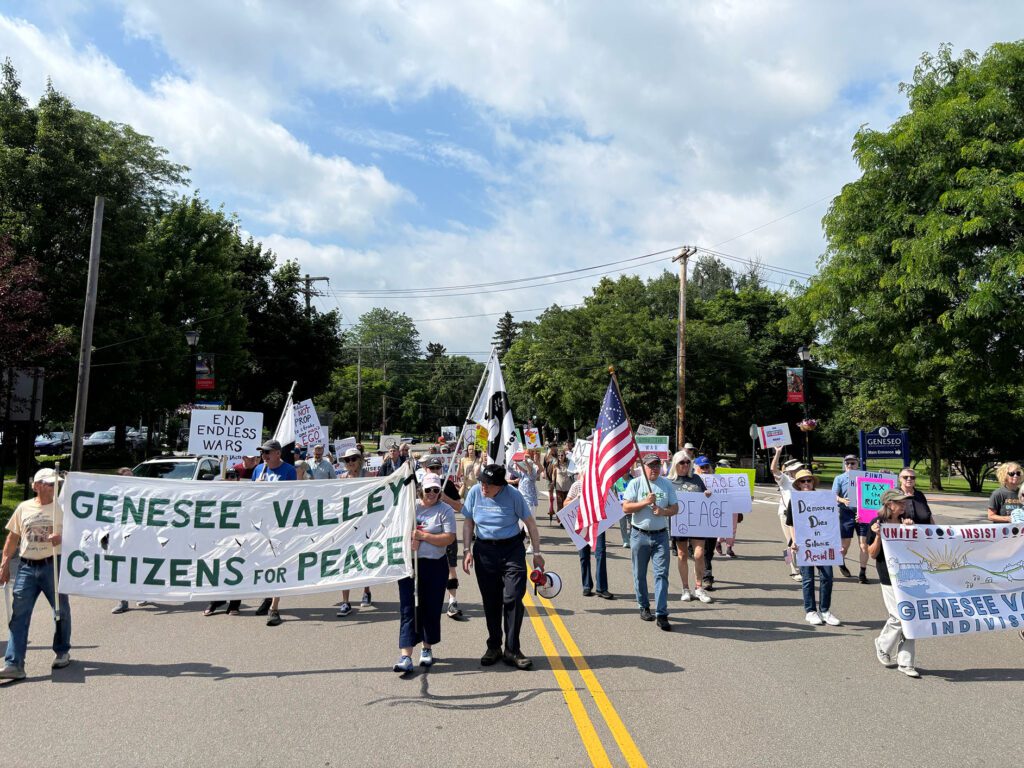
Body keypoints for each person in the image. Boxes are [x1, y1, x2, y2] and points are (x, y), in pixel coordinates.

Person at [462, 464, 544, 670]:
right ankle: (494, 646)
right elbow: (468, 522)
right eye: (482, 481)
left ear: (500, 485)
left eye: (488, 484)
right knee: (491, 601)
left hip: (511, 550)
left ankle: (512, 650)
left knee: (514, 597)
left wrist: (537, 554)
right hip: (485, 550)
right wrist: (466, 550)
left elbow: (530, 524)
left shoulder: (513, 495)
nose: (483, 487)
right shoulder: (474, 492)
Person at [0, 469, 71, 679]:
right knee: (19, 615)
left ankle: (62, 651)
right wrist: (4, 563)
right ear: (37, 486)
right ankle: (14, 664)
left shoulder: (63, 508)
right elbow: (13, 538)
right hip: (26, 568)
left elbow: (79, 535)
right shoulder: (24, 508)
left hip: (53, 565)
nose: (52, 487)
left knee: (60, 611)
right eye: (48, 483)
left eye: (55, 483)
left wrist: (62, 538)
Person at [393, 475, 457, 673]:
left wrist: (424, 537)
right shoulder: (410, 507)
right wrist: (409, 541)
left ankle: (427, 648)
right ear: (421, 489)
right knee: (408, 609)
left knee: (430, 607)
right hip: (410, 567)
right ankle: (405, 656)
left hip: (435, 566)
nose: (431, 494)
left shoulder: (444, 510)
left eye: (435, 490)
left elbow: (448, 538)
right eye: (428, 490)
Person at [621, 454, 678, 631]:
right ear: (643, 467)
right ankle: (643, 606)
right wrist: (645, 501)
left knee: (661, 574)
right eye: (650, 466)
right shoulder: (635, 483)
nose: (654, 469)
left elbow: (675, 508)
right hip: (639, 535)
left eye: (656, 465)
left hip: (660, 535)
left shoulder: (666, 484)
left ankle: (661, 613)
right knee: (640, 573)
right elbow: (625, 507)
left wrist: (663, 511)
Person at [868, 488, 921, 677]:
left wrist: (910, 531)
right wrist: (878, 535)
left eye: (905, 502)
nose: (904, 505)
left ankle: (906, 662)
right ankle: (883, 644)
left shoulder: (906, 522)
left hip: (907, 576)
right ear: (890, 505)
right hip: (888, 577)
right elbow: (872, 554)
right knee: (899, 617)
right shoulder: (877, 523)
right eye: (900, 502)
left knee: (910, 617)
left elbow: (915, 549)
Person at [786, 469, 840, 627]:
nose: (806, 484)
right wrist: (794, 541)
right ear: (798, 484)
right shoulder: (794, 500)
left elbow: (832, 522)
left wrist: (836, 544)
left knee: (827, 577)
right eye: (802, 481)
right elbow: (791, 523)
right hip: (805, 544)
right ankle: (810, 611)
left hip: (824, 543)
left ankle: (825, 610)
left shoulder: (824, 498)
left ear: (813, 482)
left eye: (808, 480)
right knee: (808, 579)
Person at [252, 439, 297, 626]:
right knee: (263, 562)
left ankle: (274, 607)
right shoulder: (258, 470)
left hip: (279, 524)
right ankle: (268, 597)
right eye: (263, 452)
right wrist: (257, 486)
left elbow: (292, 496)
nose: (264, 455)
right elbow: (250, 497)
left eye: (268, 452)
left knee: (278, 563)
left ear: (278, 453)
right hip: (262, 524)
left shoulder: (288, 471)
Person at [419, 456, 465, 619]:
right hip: (424, 537)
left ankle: (452, 600)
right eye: (432, 468)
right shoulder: (419, 487)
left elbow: (462, 509)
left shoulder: (448, 485)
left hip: (446, 532)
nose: (435, 471)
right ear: (426, 470)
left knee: (450, 567)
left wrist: (446, 499)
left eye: (438, 468)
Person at [667, 452, 713, 604]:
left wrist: (707, 494)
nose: (685, 465)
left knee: (699, 554)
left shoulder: (696, 478)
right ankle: (685, 588)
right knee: (682, 554)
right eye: (682, 462)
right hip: (680, 522)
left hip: (698, 521)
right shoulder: (670, 481)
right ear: (675, 464)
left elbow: (705, 495)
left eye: (688, 462)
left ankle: (699, 587)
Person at [564, 475, 614, 600]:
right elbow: (565, 503)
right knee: (584, 556)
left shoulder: (600, 486)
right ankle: (586, 586)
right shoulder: (577, 485)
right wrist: (577, 499)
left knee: (600, 553)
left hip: (597, 524)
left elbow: (610, 503)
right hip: (581, 524)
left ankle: (602, 588)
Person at [336, 447, 373, 615]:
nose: (350, 462)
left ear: (360, 459)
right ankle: (345, 601)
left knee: (364, 558)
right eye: (347, 460)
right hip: (347, 526)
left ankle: (366, 590)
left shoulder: (370, 477)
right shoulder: (341, 479)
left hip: (365, 524)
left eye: (353, 459)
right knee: (346, 561)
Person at [204, 467, 243, 617]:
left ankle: (234, 604)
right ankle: (216, 600)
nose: (231, 478)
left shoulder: (245, 492)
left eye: (234, 476)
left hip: (239, 539)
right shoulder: (215, 492)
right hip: (218, 539)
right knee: (217, 569)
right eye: (227, 476)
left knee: (237, 570)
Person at [771, 446, 804, 582]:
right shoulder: (784, 479)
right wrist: (778, 452)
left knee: (799, 542)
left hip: (802, 514)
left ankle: (799, 567)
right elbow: (773, 469)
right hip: (786, 514)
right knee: (790, 542)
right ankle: (792, 569)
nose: (798, 470)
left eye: (799, 468)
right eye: (796, 468)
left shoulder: (803, 479)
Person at [832, 454, 861, 579]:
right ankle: (841, 562)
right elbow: (833, 495)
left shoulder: (863, 477)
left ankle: (863, 572)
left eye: (852, 463)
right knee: (845, 543)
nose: (850, 465)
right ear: (844, 465)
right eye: (847, 463)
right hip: (846, 512)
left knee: (864, 544)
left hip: (862, 513)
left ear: (857, 464)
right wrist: (842, 500)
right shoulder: (839, 478)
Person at [112, 466, 136, 615]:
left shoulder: (142, 493)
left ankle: (143, 593)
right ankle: (123, 601)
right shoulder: (114, 496)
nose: (130, 480)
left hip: (139, 536)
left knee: (139, 566)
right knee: (121, 568)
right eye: (126, 477)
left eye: (132, 476)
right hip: (120, 537)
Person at [693, 456, 718, 591]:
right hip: (696, 520)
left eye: (707, 466)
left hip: (713, 520)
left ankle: (704, 571)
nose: (705, 470)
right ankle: (707, 576)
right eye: (702, 467)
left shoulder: (719, 481)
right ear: (696, 468)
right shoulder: (692, 481)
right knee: (700, 551)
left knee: (709, 550)